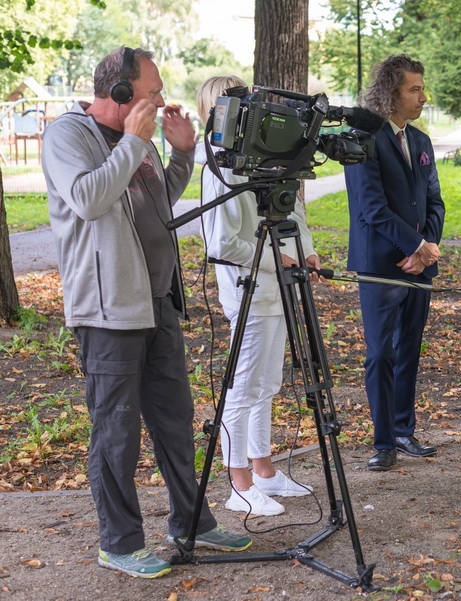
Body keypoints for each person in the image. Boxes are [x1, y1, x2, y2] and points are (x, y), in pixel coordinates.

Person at [41, 47, 251, 579]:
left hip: (157, 302)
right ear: (119, 91)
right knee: (116, 429)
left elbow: (160, 205)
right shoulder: (68, 136)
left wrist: (180, 155)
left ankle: (192, 523)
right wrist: (136, 141)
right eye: (152, 90)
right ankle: (119, 542)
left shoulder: (144, 141)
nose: (160, 99)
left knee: (175, 420)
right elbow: (89, 199)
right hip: (108, 311)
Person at [195, 75, 320, 516]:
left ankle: (264, 470)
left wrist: (306, 253)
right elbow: (222, 244)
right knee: (243, 386)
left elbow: (292, 211)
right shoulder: (220, 167)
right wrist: (277, 259)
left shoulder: (265, 157)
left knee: (267, 384)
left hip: (280, 291)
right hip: (250, 292)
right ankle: (238, 481)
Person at [344, 54, 446, 471]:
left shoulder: (420, 142)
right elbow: (371, 208)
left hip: (419, 267)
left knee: (409, 351)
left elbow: (435, 201)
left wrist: (427, 248)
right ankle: (383, 441)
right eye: (415, 89)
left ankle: (404, 430)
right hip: (381, 264)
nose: (423, 96)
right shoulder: (362, 138)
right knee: (380, 355)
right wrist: (414, 246)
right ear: (391, 91)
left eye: (422, 88)